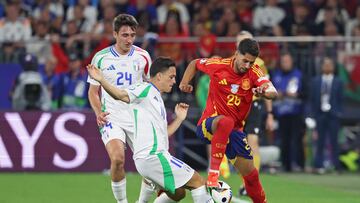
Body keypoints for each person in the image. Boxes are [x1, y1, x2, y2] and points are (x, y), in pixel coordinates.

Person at [86, 57, 214, 203]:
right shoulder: (145, 89)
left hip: (151, 159)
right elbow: (120, 95)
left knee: (178, 194)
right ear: (159, 76)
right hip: (154, 157)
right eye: (171, 77)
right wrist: (101, 80)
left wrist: (179, 118)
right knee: (198, 183)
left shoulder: (156, 98)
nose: (173, 81)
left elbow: (164, 133)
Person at [180, 38, 278, 203]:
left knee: (252, 176)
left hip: (235, 133)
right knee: (225, 121)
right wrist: (184, 82)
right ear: (236, 53)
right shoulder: (218, 65)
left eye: (251, 62)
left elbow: (273, 91)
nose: (247, 65)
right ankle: (213, 174)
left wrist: (264, 92)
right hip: (209, 125)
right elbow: (195, 63)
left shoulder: (254, 71)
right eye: (244, 60)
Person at [87, 14, 152, 203]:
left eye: (132, 35)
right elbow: (93, 92)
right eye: (125, 35)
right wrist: (99, 112)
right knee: (117, 159)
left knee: (148, 167)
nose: (129, 39)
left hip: (138, 117)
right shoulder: (101, 58)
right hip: (112, 116)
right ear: (115, 34)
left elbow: (152, 88)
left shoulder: (143, 57)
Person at [236, 31, 274, 196]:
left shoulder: (259, 63)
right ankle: (244, 179)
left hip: (253, 105)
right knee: (238, 144)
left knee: (253, 142)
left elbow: (268, 87)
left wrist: (270, 113)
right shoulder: (232, 61)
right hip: (236, 106)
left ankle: (252, 182)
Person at [310, 57, 343, 174]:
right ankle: (319, 165)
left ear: (333, 67)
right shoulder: (315, 81)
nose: (328, 67)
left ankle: (336, 166)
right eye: (326, 64)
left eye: (330, 65)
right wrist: (312, 116)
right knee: (320, 141)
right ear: (322, 66)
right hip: (320, 114)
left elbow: (340, 99)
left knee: (334, 141)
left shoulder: (338, 82)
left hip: (333, 115)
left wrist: (338, 112)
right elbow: (313, 99)